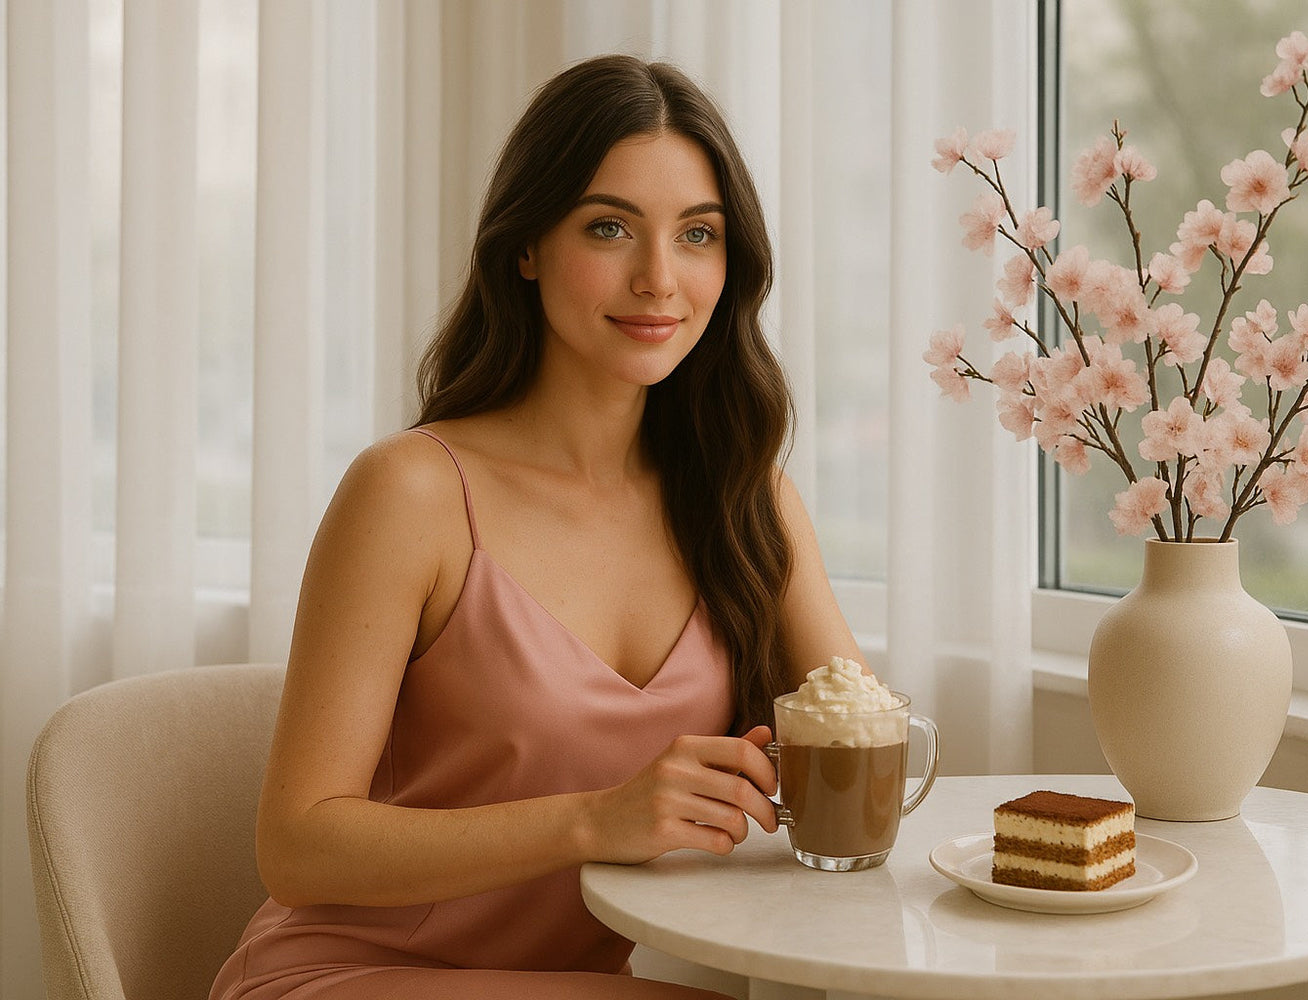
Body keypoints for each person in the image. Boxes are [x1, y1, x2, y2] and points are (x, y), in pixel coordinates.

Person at [208, 53, 862, 1000]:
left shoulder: (743, 503)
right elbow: (298, 847)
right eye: (609, 228)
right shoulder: (411, 492)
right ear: (525, 247)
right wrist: (600, 818)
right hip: (352, 976)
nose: (658, 278)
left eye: (697, 235)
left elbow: (865, 738)